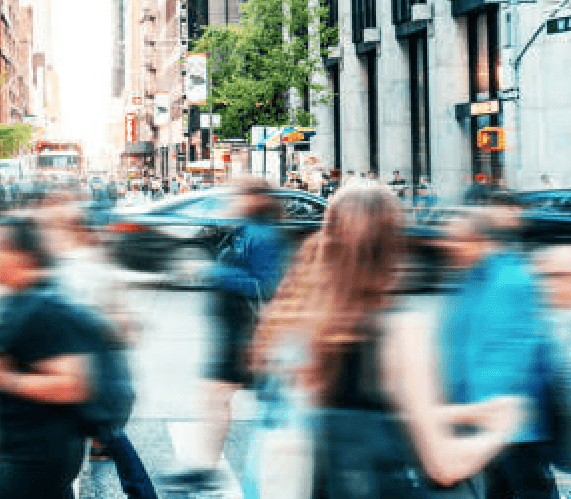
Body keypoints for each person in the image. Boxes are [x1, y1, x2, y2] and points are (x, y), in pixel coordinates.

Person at [251, 183, 528, 498]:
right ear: (392, 246)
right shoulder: (400, 331)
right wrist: (502, 429)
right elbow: (443, 465)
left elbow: (357, 418)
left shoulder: (301, 323)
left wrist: (468, 413)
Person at [161, 179, 286, 496]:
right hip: (232, 328)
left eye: (240, 194)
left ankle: (207, 468)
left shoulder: (264, 235)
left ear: (255, 199)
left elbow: (266, 286)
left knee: (225, 398)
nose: (233, 199)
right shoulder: (245, 229)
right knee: (217, 398)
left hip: (244, 332)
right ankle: (205, 466)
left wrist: (215, 274)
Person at [434, 202, 558, 498]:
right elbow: (458, 348)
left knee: (530, 490)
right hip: (486, 420)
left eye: (456, 239)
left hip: (513, 427)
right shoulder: (469, 280)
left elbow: (516, 353)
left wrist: (491, 414)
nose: (447, 245)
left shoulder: (510, 280)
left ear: (479, 241)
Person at [42, 194, 157, 499]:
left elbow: (76, 322)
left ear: (64, 230)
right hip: (101, 371)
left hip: (87, 374)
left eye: (50, 228)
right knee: (110, 440)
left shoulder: (72, 267)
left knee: (83, 444)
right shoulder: (91, 259)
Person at [0, 217, 91, 499]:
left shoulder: (42, 308)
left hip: (38, 460)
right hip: (28, 455)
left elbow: (72, 385)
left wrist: (0, 378)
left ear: (18, 257)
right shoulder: (15, 301)